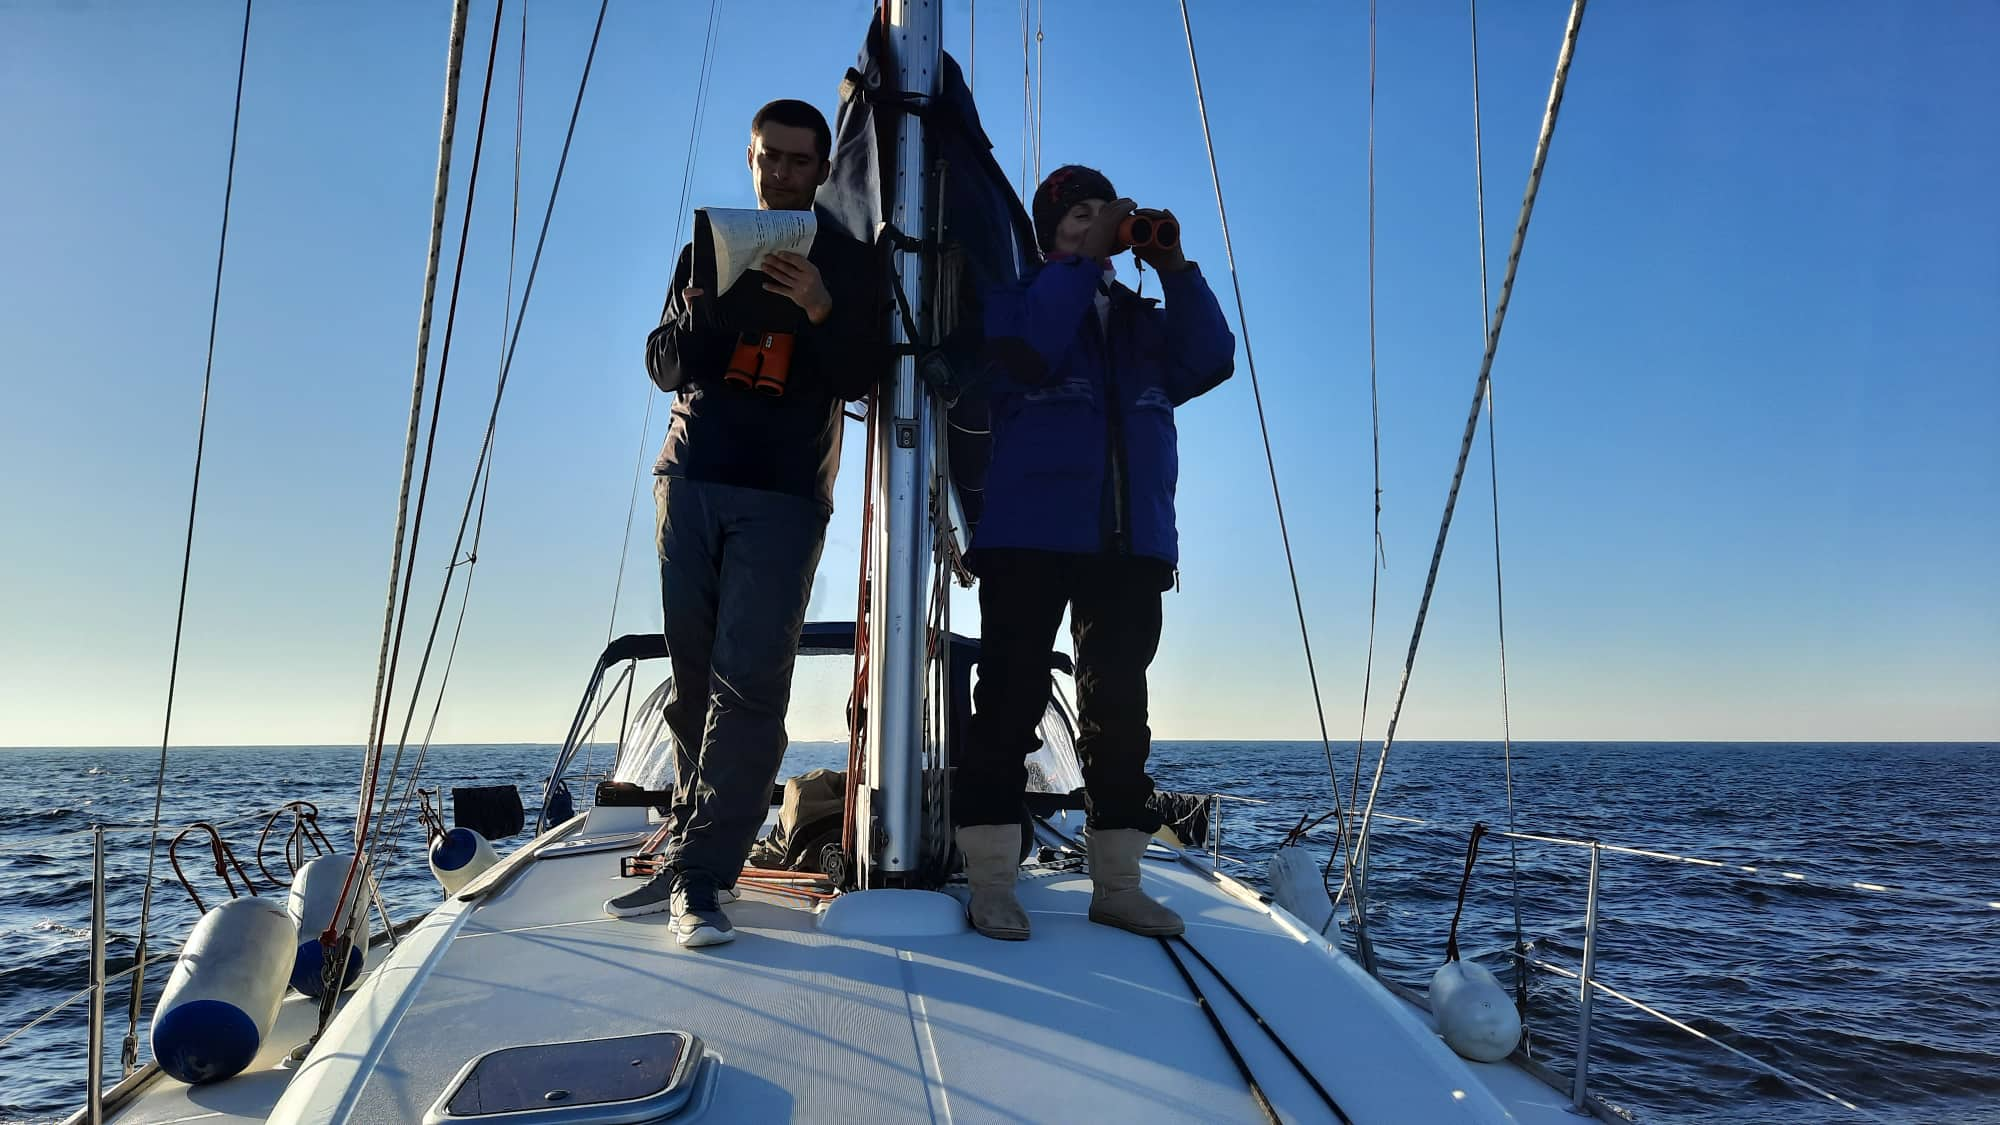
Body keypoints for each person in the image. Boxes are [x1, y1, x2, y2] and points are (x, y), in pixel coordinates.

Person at [605, 99, 882, 946]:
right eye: (769, 158)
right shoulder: (708, 243)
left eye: (800, 161)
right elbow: (662, 364)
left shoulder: (851, 261)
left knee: (749, 684)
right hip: (688, 479)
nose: (782, 175)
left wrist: (826, 308)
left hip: (786, 492)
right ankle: (695, 839)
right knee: (693, 684)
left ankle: (702, 877)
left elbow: (869, 375)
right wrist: (695, 314)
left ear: (825, 167)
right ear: (751, 157)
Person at [954, 165, 1237, 941]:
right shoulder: (1019, 299)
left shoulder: (1142, 323)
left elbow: (1210, 358)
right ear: (1050, 232)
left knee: (1120, 713)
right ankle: (991, 881)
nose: (1099, 223)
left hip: (1127, 542)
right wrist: (1080, 263)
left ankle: (1117, 882)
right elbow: (1030, 349)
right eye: (1079, 215)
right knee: (1009, 701)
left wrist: (1175, 267)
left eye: (1104, 213)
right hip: (1029, 536)